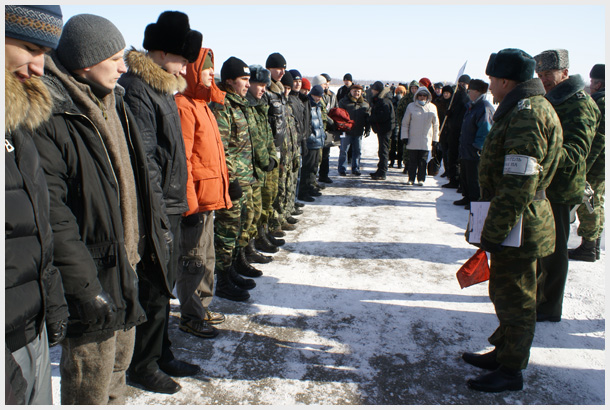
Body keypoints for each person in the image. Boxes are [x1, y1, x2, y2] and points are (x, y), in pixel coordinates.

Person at [31, 14, 170, 404]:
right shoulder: (53, 114)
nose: (124, 67)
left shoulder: (114, 101)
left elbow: (139, 178)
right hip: (91, 275)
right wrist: (85, 288)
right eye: (114, 59)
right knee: (89, 383)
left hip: (125, 265)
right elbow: (54, 214)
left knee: (117, 374)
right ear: (85, 62)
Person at [463, 48, 562, 393]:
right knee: (505, 293)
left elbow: (518, 182)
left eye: (492, 79)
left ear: (506, 81)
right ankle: (503, 352)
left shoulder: (527, 114)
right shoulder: (523, 108)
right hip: (516, 220)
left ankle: (511, 370)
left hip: (519, 222)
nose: (489, 86)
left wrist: (494, 230)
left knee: (517, 299)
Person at [119, 10, 202, 393]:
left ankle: (161, 351)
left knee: (163, 287)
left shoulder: (160, 88)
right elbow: (146, 161)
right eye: (182, 60)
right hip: (155, 210)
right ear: (162, 52)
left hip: (169, 205)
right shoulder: (138, 89)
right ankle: (143, 364)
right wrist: (157, 216)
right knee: (152, 289)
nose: (185, 68)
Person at [5, 5, 69, 405]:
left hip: (32, 327)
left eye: (45, 53)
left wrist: (52, 299)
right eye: (29, 48)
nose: (38, 67)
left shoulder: (20, 124)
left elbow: (37, 225)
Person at [534, 49, 600, 322]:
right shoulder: (549, 99)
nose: (544, 79)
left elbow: (578, 150)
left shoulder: (579, 104)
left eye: (548, 74)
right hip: (544, 184)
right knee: (539, 245)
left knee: (554, 249)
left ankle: (549, 307)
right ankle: (536, 295)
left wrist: (538, 156)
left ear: (564, 72)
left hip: (560, 187)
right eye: (540, 74)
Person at [174, 48, 232, 339]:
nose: (212, 73)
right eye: (207, 69)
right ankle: (191, 315)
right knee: (193, 259)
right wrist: (189, 204)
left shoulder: (203, 105)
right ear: (193, 71)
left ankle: (202, 306)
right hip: (195, 202)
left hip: (207, 198)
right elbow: (183, 160)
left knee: (206, 257)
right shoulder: (184, 106)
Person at [211, 56, 258, 302]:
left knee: (239, 227)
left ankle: (231, 271)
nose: (248, 84)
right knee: (226, 232)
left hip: (245, 178)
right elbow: (222, 149)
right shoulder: (222, 106)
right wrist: (231, 181)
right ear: (229, 81)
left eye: (249, 80)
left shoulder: (239, 104)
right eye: (244, 79)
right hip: (231, 182)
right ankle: (222, 281)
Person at [569, 64, 605, 262]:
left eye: (591, 82)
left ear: (598, 84)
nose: (590, 86)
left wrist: (584, 167)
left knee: (588, 201)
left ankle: (589, 247)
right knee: (597, 200)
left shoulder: (601, 102)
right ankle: (594, 246)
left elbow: (598, 139)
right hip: (602, 163)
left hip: (596, 163)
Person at [246, 65, 283, 256]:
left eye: (265, 85)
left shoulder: (260, 105)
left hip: (266, 162)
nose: (263, 89)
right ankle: (252, 243)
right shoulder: (248, 105)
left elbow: (267, 134)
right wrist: (264, 158)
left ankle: (262, 234)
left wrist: (271, 156)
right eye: (260, 84)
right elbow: (254, 138)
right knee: (252, 211)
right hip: (253, 167)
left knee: (266, 201)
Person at [453, 79, 495, 209]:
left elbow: (485, 129)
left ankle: (475, 200)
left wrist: (478, 147)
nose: (468, 93)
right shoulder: (472, 106)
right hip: (466, 148)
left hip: (474, 150)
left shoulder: (484, 107)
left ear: (477, 91)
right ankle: (467, 196)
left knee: (474, 177)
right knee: (466, 174)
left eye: (470, 91)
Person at [401, 87, 439, 186]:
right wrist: (404, 136)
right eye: (420, 95)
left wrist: (435, 139)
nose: (422, 97)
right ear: (417, 96)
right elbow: (405, 123)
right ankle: (411, 178)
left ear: (428, 96)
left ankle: (421, 179)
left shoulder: (432, 107)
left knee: (423, 161)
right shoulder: (411, 107)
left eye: (424, 95)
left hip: (426, 139)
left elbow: (436, 125)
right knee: (412, 160)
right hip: (413, 138)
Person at [298, 84, 327, 202]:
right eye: (316, 96)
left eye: (320, 96)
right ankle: (303, 191)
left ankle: (310, 187)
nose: (318, 98)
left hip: (318, 141)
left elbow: (319, 123)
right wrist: (310, 137)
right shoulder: (308, 104)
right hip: (311, 142)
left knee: (314, 167)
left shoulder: (318, 106)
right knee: (307, 167)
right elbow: (307, 124)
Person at [442, 74, 470, 189]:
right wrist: (449, 113)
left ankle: (462, 183)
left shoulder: (467, 95)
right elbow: (451, 105)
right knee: (452, 155)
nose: (462, 86)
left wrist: (463, 92)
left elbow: (467, 104)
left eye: (464, 84)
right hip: (452, 129)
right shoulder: (456, 95)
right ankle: (453, 179)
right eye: (460, 83)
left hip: (462, 130)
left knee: (461, 158)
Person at [337, 84, 371, 176]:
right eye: (354, 91)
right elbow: (339, 116)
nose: (356, 93)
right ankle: (342, 169)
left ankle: (355, 168)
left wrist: (367, 129)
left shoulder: (365, 104)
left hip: (358, 131)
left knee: (357, 151)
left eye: (358, 91)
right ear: (351, 91)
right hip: (346, 131)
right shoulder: (344, 102)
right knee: (344, 151)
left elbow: (368, 118)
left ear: (361, 92)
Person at [369, 81, 396, 180]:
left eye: (373, 89)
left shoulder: (384, 101)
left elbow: (383, 116)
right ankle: (380, 170)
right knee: (382, 150)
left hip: (385, 129)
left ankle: (382, 172)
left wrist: (370, 118)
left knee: (383, 151)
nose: (372, 91)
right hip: (383, 129)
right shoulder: (382, 100)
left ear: (377, 90)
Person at [318, 73, 338, 184]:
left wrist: (335, 123)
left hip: (329, 128)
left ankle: (324, 175)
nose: (326, 85)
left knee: (326, 154)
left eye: (328, 83)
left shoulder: (332, 95)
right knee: (317, 154)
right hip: (319, 127)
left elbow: (336, 110)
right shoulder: (317, 94)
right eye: (325, 83)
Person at [437, 85, 454, 177]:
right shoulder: (440, 103)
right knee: (444, 151)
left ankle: (450, 170)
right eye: (444, 93)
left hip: (451, 131)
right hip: (442, 130)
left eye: (447, 93)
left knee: (449, 153)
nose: (446, 95)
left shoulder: (453, 103)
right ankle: (446, 169)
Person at [389, 85, 406, 168]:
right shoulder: (404, 101)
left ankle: (393, 162)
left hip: (396, 124)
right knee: (399, 144)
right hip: (400, 124)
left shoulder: (393, 100)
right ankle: (398, 162)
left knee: (394, 144)